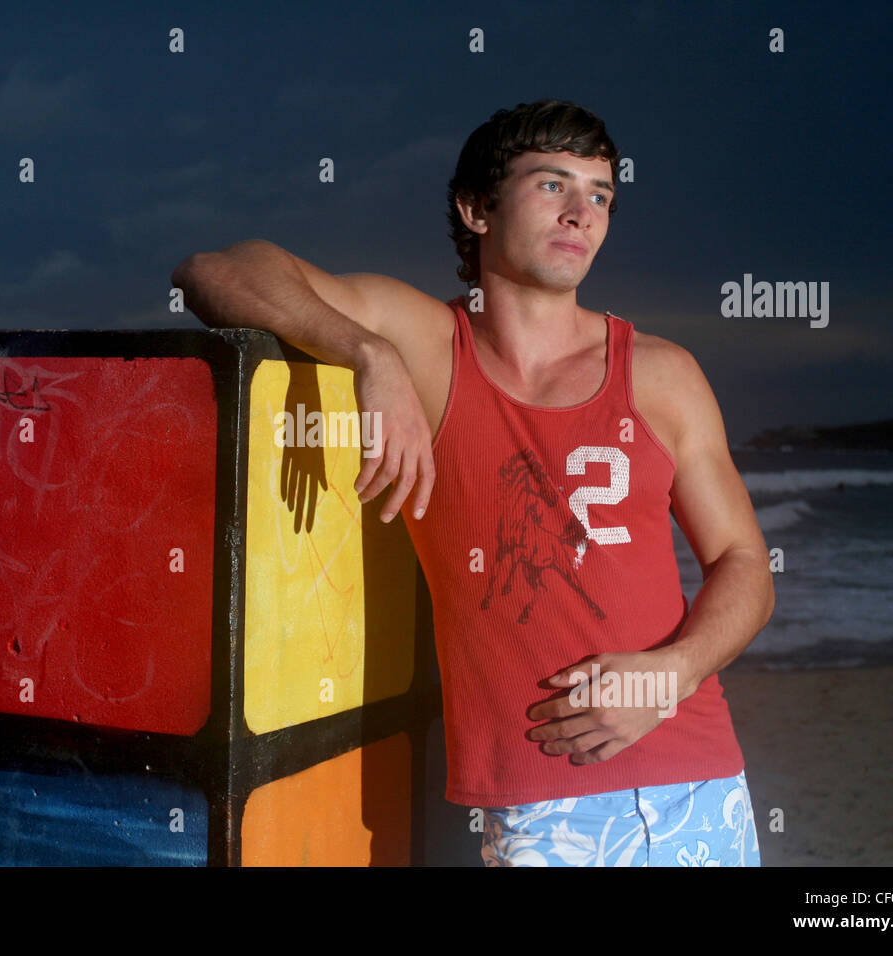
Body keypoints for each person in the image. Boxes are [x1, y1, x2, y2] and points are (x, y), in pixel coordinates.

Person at [172, 99, 774, 867]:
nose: (581, 213)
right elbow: (215, 271)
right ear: (476, 208)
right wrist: (366, 355)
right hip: (538, 798)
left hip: (696, 777)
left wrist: (672, 672)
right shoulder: (425, 344)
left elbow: (746, 566)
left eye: (600, 196)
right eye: (553, 185)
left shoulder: (662, 375)